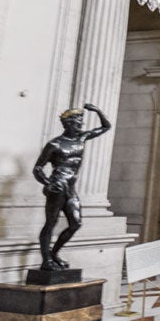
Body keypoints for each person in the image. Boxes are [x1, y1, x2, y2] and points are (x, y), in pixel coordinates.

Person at [32, 103, 111, 271]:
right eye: (77, 121)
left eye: (81, 121)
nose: (80, 125)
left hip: (71, 189)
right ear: (67, 123)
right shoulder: (55, 144)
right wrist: (48, 183)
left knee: (75, 223)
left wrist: (97, 111)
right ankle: (46, 260)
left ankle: (54, 254)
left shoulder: (81, 138)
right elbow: (38, 168)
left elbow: (106, 127)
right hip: (58, 186)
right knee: (50, 223)